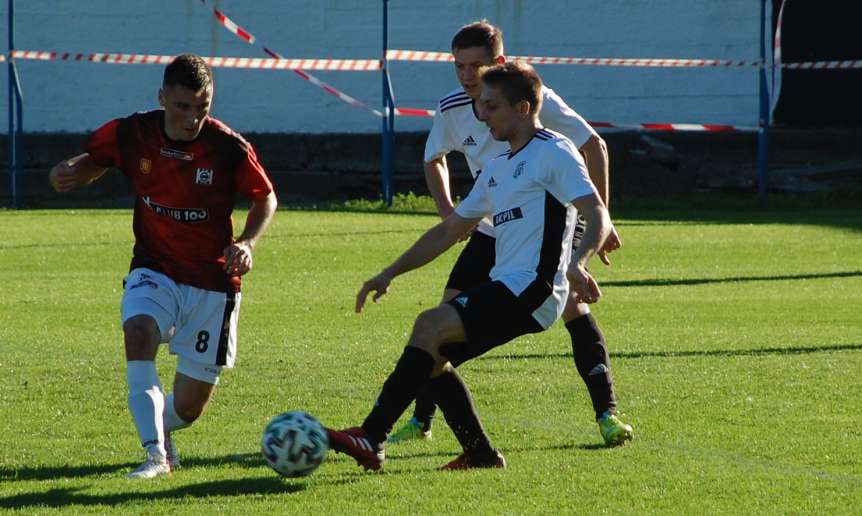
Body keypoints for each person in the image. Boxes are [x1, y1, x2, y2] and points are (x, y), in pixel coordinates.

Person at [327, 61, 614, 470]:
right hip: (511, 285)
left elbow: (596, 213)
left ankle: (372, 436)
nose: (481, 115)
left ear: (522, 108)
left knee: (429, 325)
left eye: (491, 106)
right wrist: (388, 272)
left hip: (535, 287)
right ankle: (479, 452)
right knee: (430, 354)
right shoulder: (497, 168)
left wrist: (578, 264)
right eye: (480, 106)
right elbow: (448, 232)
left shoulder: (555, 152)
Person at [388, 20, 632, 447]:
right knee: (445, 314)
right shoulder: (451, 107)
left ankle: (607, 413)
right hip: (491, 221)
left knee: (572, 304)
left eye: (476, 66)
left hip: (544, 219)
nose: (466, 76)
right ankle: (422, 419)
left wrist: (602, 217)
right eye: (459, 66)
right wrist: (449, 213)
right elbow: (434, 158)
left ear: (498, 63)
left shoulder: (532, 100)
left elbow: (595, 146)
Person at [48, 54, 278, 479]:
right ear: (162, 97)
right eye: (183, 107)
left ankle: (163, 427)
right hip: (154, 267)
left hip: (212, 282)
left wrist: (247, 242)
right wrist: (71, 172)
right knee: (137, 331)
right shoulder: (134, 133)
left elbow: (265, 196)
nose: (192, 118)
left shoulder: (227, 147)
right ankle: (156, 455)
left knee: (189, 408)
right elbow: (95, 158)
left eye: (202, 108)